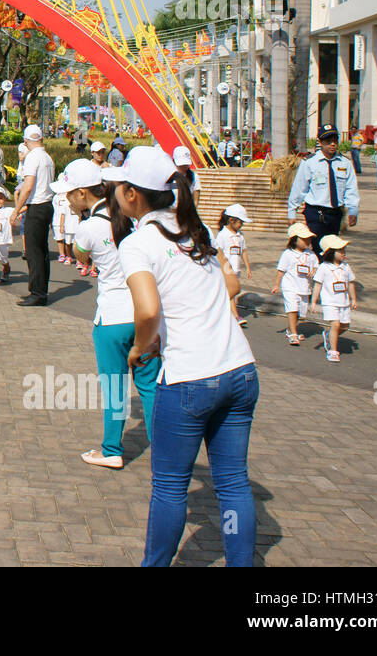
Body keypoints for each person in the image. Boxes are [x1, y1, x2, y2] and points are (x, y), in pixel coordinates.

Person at [110, 145, 258, 567]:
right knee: (233, 484)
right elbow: (228, 289)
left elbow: (149, 309)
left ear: (132, 195)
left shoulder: (139, 243)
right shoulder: (195, 229)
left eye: (120, 185)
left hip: (191, 379)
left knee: (170, 486)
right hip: (240, 369)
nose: (116, 191)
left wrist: (142, 346)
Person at [57, 158, 159, 470]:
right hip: (146, 313)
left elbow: (80, 254)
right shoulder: (134, 218)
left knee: (115, 387)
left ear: (81, 194)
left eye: (68, 195)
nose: (67, 201)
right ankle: (165, 451)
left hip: (112, 317)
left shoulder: (89, 227)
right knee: (151, 387)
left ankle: (112, 449)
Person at [287, 124, 360, 257]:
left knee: (332, 250)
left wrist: (353, 210)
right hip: (315, 213)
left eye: (335, 141)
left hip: (335, 214)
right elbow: (299, 188)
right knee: (316, 248)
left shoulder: (344, 163)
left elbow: (351, 188)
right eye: (328, 142)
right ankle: (316, 275)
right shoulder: (310, 162)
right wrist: (292, 211)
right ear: (320, 142)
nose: (332, 145)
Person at [12, 124, 55, 306]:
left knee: (33, 252)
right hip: (46, 205)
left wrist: (16, 210)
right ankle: (41, 290)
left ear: (26, 140)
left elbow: (28, 186)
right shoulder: (47, 157)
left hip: (36, 207)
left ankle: (37, 292)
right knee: (42, 250)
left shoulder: (32, 158)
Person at [309, 234, 356, 364]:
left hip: (344, 303)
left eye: (344, 250)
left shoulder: (346, 267)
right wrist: (313, 302)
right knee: (335, 324)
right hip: (330, 302)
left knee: (345, 326)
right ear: (330, 252)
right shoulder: (324, 267)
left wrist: (353, 299)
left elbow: (351, 283)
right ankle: (333, 351)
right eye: (340, 251)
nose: (343, 253)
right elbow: (317, 285)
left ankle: (329, 335)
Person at [270, 223, 317, 346]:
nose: (307, 241)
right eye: (304, 239)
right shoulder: (288, 254)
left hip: (304, 288)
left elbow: (317, 267)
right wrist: (276, 285)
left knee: (300, 313)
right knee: (292, 309)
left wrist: (314, 272)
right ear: (294, 239)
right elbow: (281, 271)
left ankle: (290, 328)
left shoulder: (311, 254)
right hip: (290, 287)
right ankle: (293, 333)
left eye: (309, 239)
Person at [214, 204, 252, 326]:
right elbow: (218, 252)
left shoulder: (240, 235)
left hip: (236, 268)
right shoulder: (223, 235)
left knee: (233, 292)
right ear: (231, 220)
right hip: (226, 269)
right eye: (240, 222)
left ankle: (224, 313)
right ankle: (236, 316)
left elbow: (243, 251)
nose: (241, 225)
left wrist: (248, 267)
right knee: (230, 291)